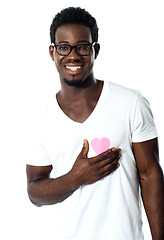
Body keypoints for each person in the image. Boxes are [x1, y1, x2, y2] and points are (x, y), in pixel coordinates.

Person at [26, 7, 164, 240]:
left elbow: (150, 175)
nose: (73, 55)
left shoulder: (131, 103)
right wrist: (74, 179)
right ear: (53, 52)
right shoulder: (42, 118)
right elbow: (34, 191)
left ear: (95, 50)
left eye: (82, 46)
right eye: (63, 47)